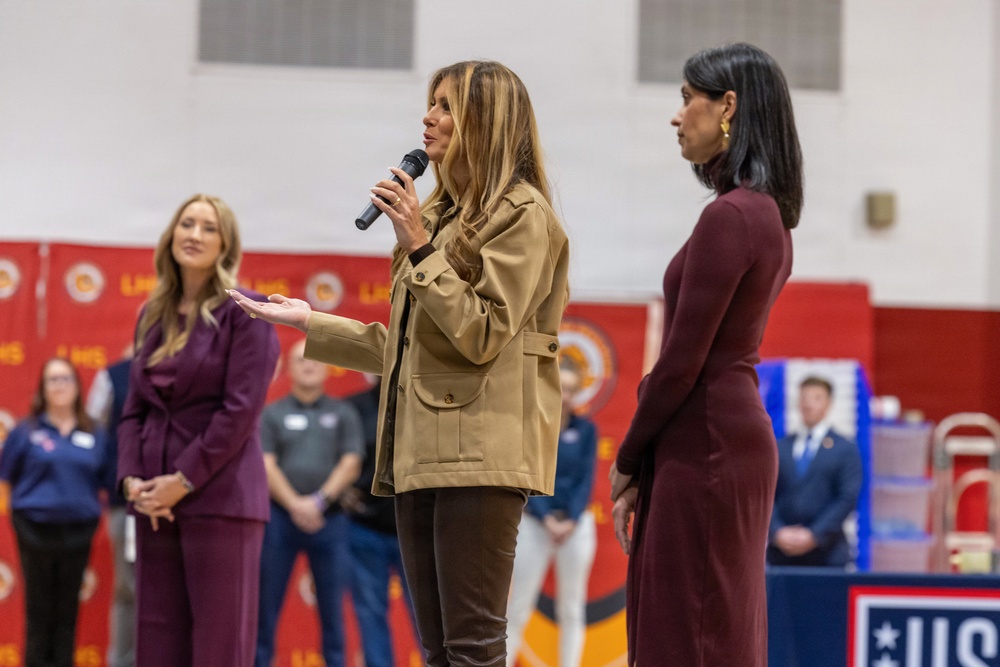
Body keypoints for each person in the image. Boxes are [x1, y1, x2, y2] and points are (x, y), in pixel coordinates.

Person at [230, 59, 570, 667]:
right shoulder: (436, 215)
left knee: (472, 647)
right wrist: (311, 321)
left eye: (444, 105)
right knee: (437, 650)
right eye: (430, 102)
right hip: (420, 452)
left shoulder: (524, 215)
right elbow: (409, 350)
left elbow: (483, 332)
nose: (428, 117)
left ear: (484, 121)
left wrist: (418, 246)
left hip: (482, 458)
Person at [608, 43, 803, 667]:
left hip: (708, 445)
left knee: (686, 638)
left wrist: (630, 457)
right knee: (713, 633)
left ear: (728, 106)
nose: (677, 115)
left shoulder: (733, 217)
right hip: (715, 440)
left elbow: (681, 362)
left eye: (687, 98)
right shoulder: (766, 215)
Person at [117, 194, 280, 666]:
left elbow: (240, 411)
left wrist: (181, 481)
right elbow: (133, 412)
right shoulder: (152, 316)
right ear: (170, 237)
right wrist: (133, 482)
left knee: (218, 647)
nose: (194, 235)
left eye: (208, 228)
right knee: (158, 642)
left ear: (225, 244)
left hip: (221, 501)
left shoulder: (247, 311)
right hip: (154, 503)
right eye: (186, 224)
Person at [256, 339, 364, 667]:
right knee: (265, 610)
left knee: (333, 612)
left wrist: (317, 502)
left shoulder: (343, 412)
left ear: (328, 367)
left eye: (316, 359)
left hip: (330, 522)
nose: (309, 365)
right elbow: (266, 464)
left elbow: (351, 462)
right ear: (288, 369)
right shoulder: (272, 413)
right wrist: (295, 505)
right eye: (301, 360)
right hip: (279, 521)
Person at [0, 358, 111, 667]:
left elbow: (106, 480)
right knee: (38, 611)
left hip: (79, 532)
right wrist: (18, 520)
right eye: (52, 380)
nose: (59, 386)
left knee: (67, 613)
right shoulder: (25, 432)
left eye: (65, 379)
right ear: (42, 388)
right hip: (33, 531)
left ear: (77, 386)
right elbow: (5, 478)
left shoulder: (96, 434)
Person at [506, 366, 598, 667]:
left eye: (571, 390)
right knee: (518, 605)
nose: (564, 396)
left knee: (571, 608)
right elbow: (527, 479)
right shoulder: (532, 428)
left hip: (576, 526)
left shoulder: (586, 431)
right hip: (535, 524)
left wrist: (570, 520)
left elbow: (586, 480)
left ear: (577, 395)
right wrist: (546, 519)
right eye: (560, 388)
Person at [342, 373, 418, 667]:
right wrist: (339, 492)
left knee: (429, 617)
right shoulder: (352, 408)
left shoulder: (424, 408)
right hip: (365, 528)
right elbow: (332, 453)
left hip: (415, 530)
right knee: (370, 612)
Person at [768, 376, 863, 567]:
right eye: (804, 398)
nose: (809, 404)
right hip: (781, 555)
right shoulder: (780, 447)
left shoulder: (845, 448)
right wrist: (777, 531)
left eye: (816, 398)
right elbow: (767, 494)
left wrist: (814, 534)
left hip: (828, 554)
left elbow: (847, 497)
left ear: (828, 403)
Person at [87, 346, 136, 667]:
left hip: (183, 502)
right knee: (126, 589)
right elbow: (93, 428)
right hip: (125, 503)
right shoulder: (113, 376)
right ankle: (121, 662)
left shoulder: (194, 369)